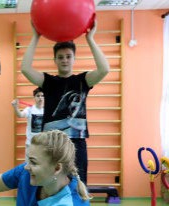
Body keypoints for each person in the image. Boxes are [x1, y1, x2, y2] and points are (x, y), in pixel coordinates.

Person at [21, 21, 109, 184]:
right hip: (51, 143)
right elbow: (25, 68)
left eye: (68, 56)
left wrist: (90, 38)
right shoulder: (48, 81)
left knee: (78, 186)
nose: (65, 60)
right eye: (60, 57)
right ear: (54, 59)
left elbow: (104, 69)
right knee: (51, 186)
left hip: (76, 144)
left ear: (74, 58)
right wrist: (35, 37)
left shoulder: (83, 81)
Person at [11, 87, 45, 162]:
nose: (40, 98)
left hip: (43, 145)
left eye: (42, 96)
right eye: (38, 96)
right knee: (28, 166)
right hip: (31, 144)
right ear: (34, 98)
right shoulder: (29, 109)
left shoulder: (48, 110)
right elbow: (20, 115)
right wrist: (15, 107)